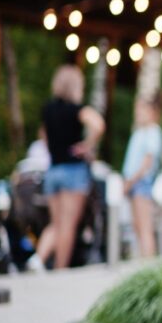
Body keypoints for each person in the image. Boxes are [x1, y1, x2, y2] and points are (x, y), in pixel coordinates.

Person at [30, 64, 105, 271]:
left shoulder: (48, 109)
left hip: (53, 171)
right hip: (73, 171)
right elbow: (98, 124)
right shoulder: (76, 110)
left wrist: (55, 148)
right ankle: (60, 270)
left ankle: (38, 259)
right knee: (68, 225)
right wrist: (87, 145)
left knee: (55, 223)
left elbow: (43, 135)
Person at [122, 93, 162, 259]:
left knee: (144, 225)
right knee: (137, 225)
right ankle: (143, 258)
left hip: (141, 182)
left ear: (152, 112)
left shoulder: (153, 132)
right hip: (133, 183)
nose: (138, 113)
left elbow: (147, 162)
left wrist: (131, 181)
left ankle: (148, 262)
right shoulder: (140, 132)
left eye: (141, 109)